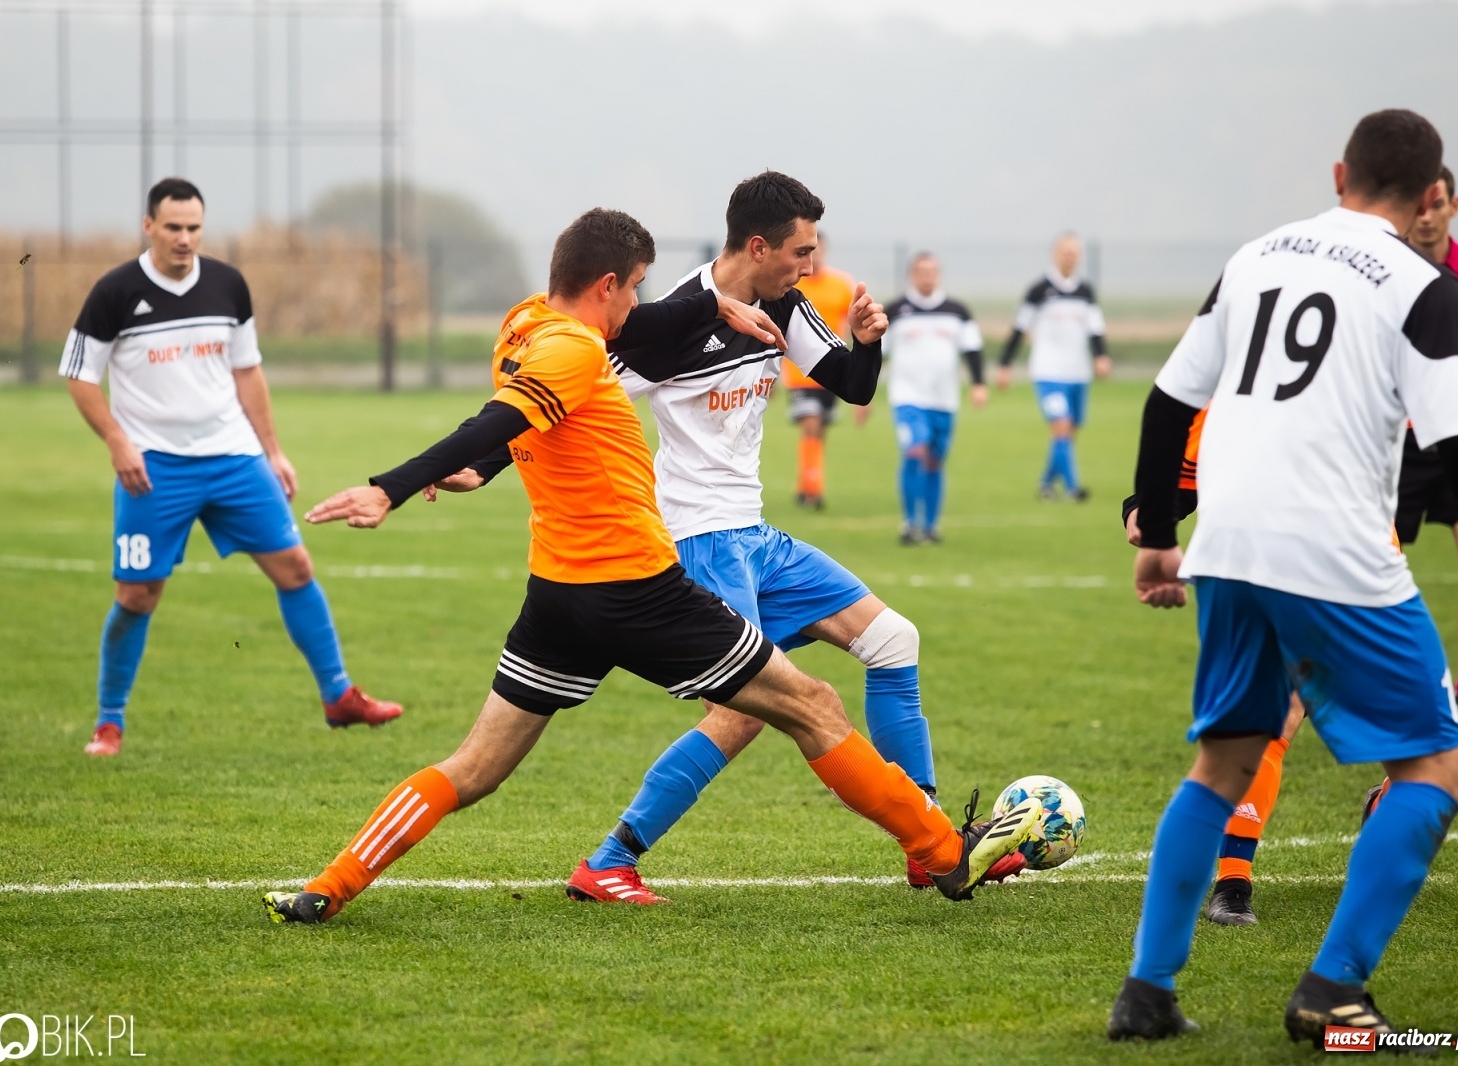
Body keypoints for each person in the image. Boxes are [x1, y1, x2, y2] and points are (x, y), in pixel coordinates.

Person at [261, 207, 1043, 925]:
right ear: (606, 286)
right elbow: (497, 419)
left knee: (473, 767)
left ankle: (327, 887)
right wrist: (387, 488)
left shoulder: (525, 326)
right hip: (639, 587)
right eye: (632, 291)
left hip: (557, 595)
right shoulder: (573, 348)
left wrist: (486, 464)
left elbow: (532, 407)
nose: (640, 308)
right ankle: (944, 855)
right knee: (811, 706)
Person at [1107, 109, 1458, 1048]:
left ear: (1338, 172)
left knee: (1224, 760)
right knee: (1440, 763)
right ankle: (1334, 992)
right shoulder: (1423, 283)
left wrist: (1157, 529)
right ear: (1433, 195)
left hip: (1230, 546)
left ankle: (1146, 993)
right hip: (1335, 551)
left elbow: (1169, 398)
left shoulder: (1256, 255)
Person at [554, 174, 1023, 904]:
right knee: (742, 711)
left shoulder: (786, 305)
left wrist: (867, 344)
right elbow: (571, 392)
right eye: (802, 252)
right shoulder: (677, 318)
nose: (812, 266)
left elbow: (852, 385)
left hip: (755, 534)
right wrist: (477, 460)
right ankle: (610, 860)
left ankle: (927, 839)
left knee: (894, 640)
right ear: (758, 245)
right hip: (700, 540)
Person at [59, 177, 402, 758]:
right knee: (138, 595)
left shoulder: (227, 285)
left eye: (194, 227)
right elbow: (79, 374)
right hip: (154, 469)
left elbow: (247, 372)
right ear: (149, 227)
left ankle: (339, 696)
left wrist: (272, 450)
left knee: (295, 566)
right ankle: (109, 721)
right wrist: (118, 442)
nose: (185, 238)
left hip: (233, 459)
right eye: (173, 227)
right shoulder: (115, 292)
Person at [1123, 408, 1307, 928]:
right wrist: (1150, 515)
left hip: (1359, 560)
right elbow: (1182, 454)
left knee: (1431, 757)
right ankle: (1232, 880)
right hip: (1255, 562)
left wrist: (1153, 520)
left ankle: (1150, 983)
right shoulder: (1238, 360)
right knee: (1270, 721)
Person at [1393, 165, 1458, 748]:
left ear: (1454, 205)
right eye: (1417, 204)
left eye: (1436, 204)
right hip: (1396, 449)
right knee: (1367, 581)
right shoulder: (1386, 271)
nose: (1425, 215)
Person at [880, 252, 986, 545]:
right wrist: (863, 396)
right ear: (912, 275)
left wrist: (978, 384)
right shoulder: (896, 310)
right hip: (907, 398)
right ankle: (909, 523)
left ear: (938, 275)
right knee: (915, 451)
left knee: (935, 461)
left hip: (944, 401)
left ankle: (931, 526)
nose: (927, 277)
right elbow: (876, 354)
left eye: (932, 272)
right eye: (921, 271)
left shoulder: (957, 311)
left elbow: (973, 350)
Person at [995, 233, 1110, 501]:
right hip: (1048, 372)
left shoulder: (1086, 291)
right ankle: (1073, 488)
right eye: (1065, 252)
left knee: (1068, 433)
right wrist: (1004, 365)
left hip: (1078, 373)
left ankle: (1046, 484)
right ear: (1055, 254)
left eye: (1074, 253)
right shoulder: (1039, 290)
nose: (1069, 257)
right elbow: (1019, 328)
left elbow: (1096, 328)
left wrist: (1101, 356)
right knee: (1061, 426)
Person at [784, 233, 854, 509]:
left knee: (819, 430)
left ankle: (805, 484)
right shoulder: (792, 284)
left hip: (831, 369)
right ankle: (814, 490)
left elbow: (849, 325)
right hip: (799, 370)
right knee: (810, 423)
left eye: (817, 250)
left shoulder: (841, 285)